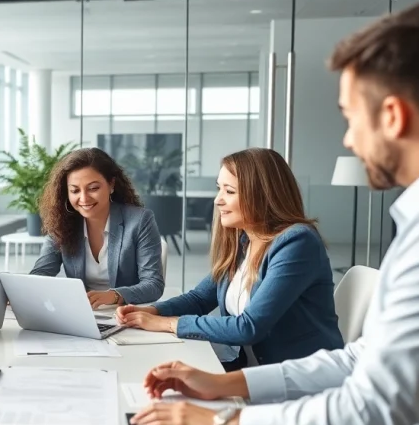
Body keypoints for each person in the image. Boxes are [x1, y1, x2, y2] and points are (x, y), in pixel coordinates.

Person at [129, 0, 419, 425]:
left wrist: (225, 422)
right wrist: (227, 385)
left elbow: (370, 413)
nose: (349, 140)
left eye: (349, 118)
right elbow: (359, 358)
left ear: (393, 116)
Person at [116, 148, 343, 371]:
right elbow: (199, 299)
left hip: (300, 377)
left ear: (263, 194)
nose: (218, 200)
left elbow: (249, 327)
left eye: (230, 191)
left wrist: (166, 324)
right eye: (219, 189)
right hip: (253, 369)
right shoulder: (244, 241)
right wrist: (151, 312)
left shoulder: (297, 242)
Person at [30, 147, 164, 308]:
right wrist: (20, 292)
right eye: (75, 190)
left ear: (111, 185)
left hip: (125, 312)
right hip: (81, 312)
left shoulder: (140, 220)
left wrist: (114, 296)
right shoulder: (62, 223)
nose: (84, 198)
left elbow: (153, 285)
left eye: (93, 188)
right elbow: (41, 274)